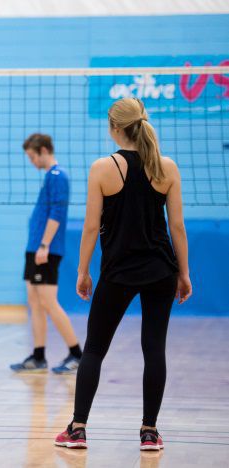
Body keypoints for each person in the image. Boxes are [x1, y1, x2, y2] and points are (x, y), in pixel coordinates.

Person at [55, 98, 192, 450]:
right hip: (162, 269)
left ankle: (78, 429)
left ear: (114, 128)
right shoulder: (167, 167)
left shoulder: (103, 168)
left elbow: (90, 227)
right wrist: (184, 273)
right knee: (154, 350)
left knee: (94, 350)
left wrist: (83, 271)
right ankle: (149, 432)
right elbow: (177, 227)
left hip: (118, 271)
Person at [10, 134, 83, 374]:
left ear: (43, 150)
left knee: (49, 302)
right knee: (35, 301)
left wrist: (44, 246)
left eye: (32, 156)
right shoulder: (50, 177)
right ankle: (38, 356)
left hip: (45, 249)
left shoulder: (58, 176)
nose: (31, 161)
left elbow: (57, 214)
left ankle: (76, 354)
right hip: (36, 248)